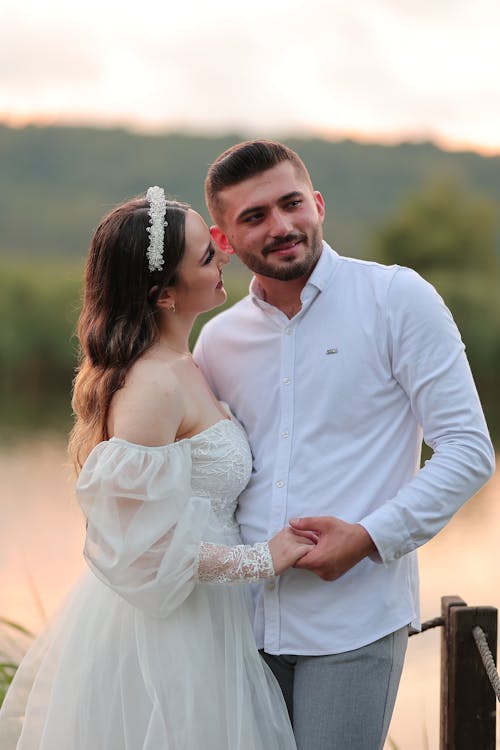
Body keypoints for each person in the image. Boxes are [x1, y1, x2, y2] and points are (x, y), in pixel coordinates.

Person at [193, 140, 496, 750]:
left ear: (319, 204)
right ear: (225, 241)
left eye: (291, 203)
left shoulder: (396, 299)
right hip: (237, 625)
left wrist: (366, 539)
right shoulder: (217, 341)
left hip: (353, 622)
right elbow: (204, 479)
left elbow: (468, 449)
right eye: (254, 216)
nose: (281, 226)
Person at [0, 187, 317, 749]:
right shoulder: (151, 385)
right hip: (166, 632)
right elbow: (140, 550)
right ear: (162, 294)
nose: (223, 257)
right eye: (205, 255)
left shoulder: (185, 365)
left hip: (210, 619)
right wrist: (262, 559)